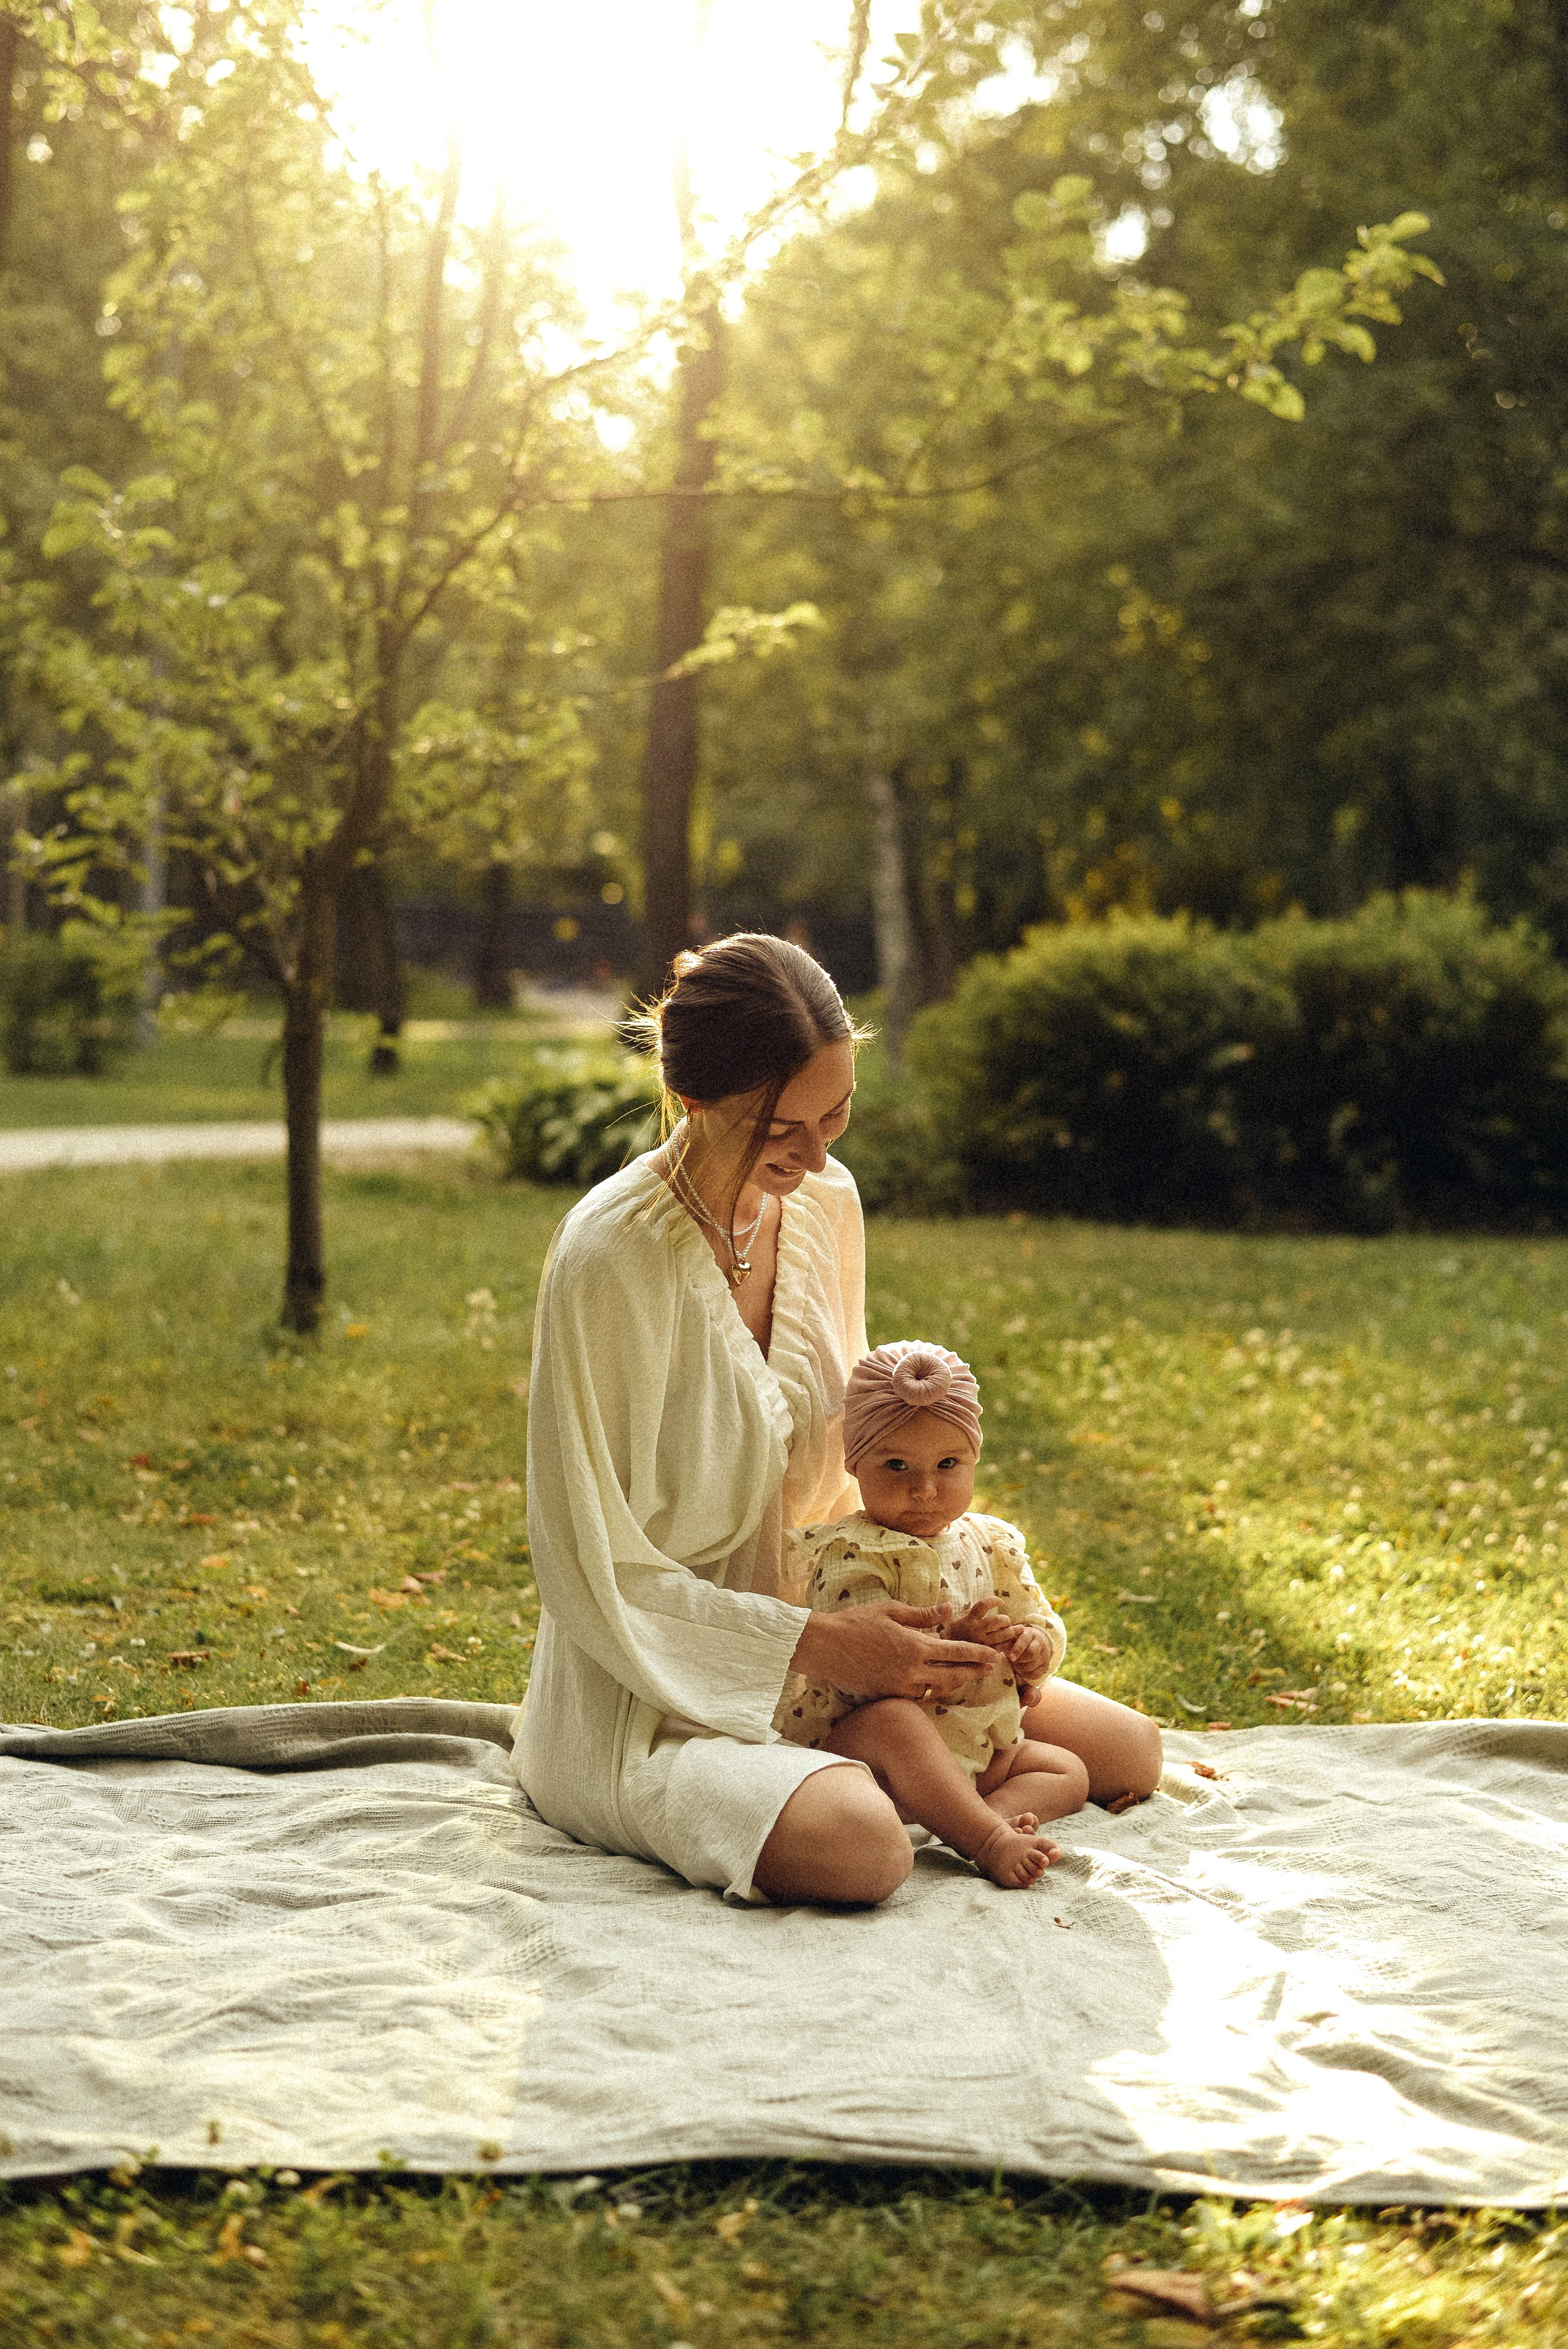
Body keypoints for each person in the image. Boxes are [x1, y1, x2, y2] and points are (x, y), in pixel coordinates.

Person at [513, 931, 1163, 1906]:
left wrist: (928, 1591)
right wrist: (814, 1643)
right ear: (694, 1100)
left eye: (839, 1113)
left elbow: (850, 1451)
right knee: (864, 1848)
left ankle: (889, 1769)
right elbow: (589, 1570)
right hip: (658, 1690)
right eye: (784, 1128)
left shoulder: (826, 1200)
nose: (817, 1154)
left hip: (846, 1638)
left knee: (1130, 1751)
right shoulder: (608, 1256)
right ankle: (878, 1786)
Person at [778, 1340, 1093, 1887]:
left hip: (976, 1738)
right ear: (855, 1465)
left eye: (948, 1464)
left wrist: (1030, 1648)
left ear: (975, 1457)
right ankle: (988, 1842)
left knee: (1068, 1770)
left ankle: (983, 1818)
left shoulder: (992, 1543)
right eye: (896, 1464)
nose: (924, 1489)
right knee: (896, 1724)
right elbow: (861, 1674)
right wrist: (957, 1638)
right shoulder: (852, 1552)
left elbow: (1039, 1620)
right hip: (876, 1754)